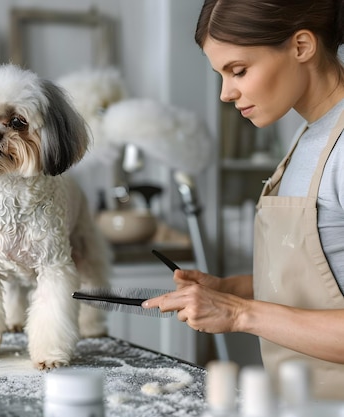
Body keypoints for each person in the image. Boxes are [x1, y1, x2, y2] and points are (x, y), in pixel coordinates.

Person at [143, 0, 344, 400]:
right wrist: (230, 289)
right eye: (220, 74)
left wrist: (238, 313)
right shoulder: (310, 135)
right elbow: (324, 277)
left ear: (301, 46)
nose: (225, 93)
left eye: (239, 70)